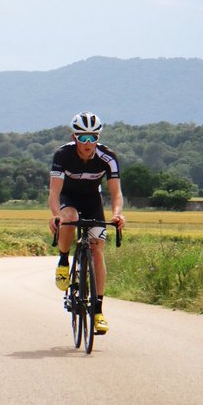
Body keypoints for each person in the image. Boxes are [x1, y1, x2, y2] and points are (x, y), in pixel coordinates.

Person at [48, 112, 126, 334]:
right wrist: (56, 214)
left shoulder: (107, 157)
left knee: (97, 249)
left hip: (93, 201)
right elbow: (54, 193)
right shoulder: (63, 155)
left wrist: (118, 214)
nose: (88, 143)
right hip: (68, 199)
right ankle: (64, 261)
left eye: (93, 137)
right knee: (69, 218)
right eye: (83, 138)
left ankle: (98, 311)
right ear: (74, 138)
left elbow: (116, 193)